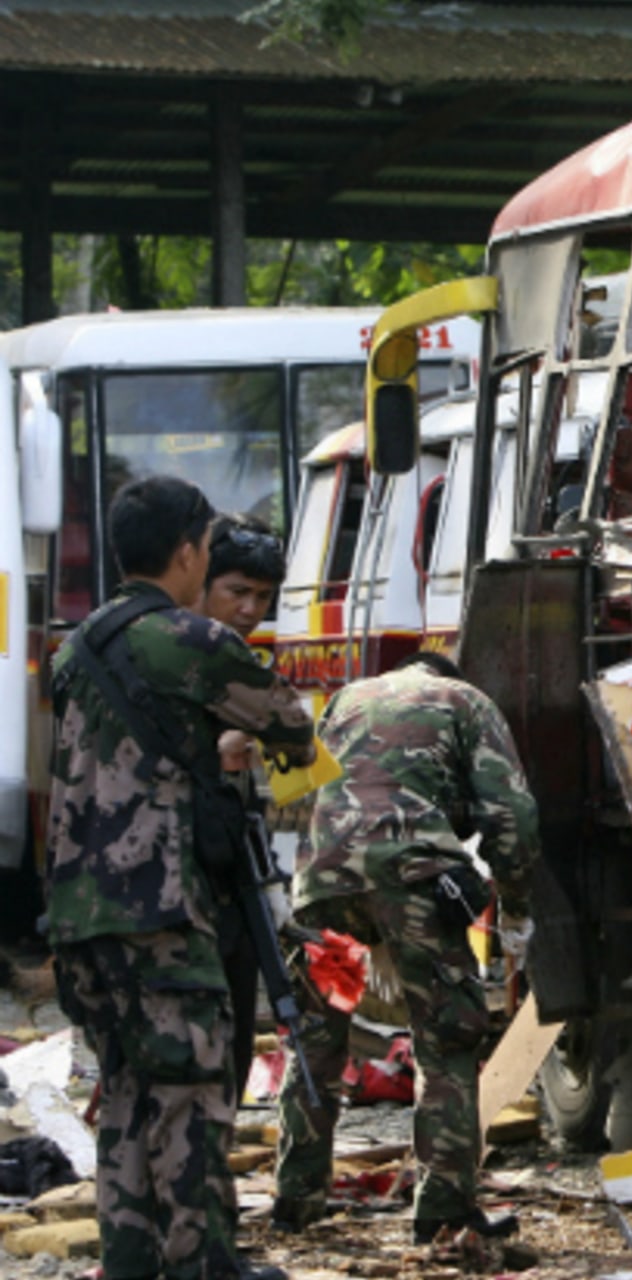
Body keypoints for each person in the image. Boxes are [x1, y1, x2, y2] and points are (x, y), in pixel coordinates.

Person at [47, 475, 315, 1280]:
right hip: (159, 905)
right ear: (191, 551)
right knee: (195, 1095)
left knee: (127, 1094)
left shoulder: (76, 645)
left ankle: (132, 1263)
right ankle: (207, 1269)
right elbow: (292, 728)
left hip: (77, 916)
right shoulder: (187, 641)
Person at [273, 651, 540, 1243]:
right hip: (414, 883)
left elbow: (294, 793)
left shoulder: (347, 699)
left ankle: (296, 1198)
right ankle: (444, 1209)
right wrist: (517, 903)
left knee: (317, 1036)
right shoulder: (467, 702)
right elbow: (512, 815)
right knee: (446, 1039)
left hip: (325, 886)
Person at [194, 513, 289, 1097]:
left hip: (234, 869)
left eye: (262, 597)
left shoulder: (242, 664)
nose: (250, 609)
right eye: (237, 592)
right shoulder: (175, 657)